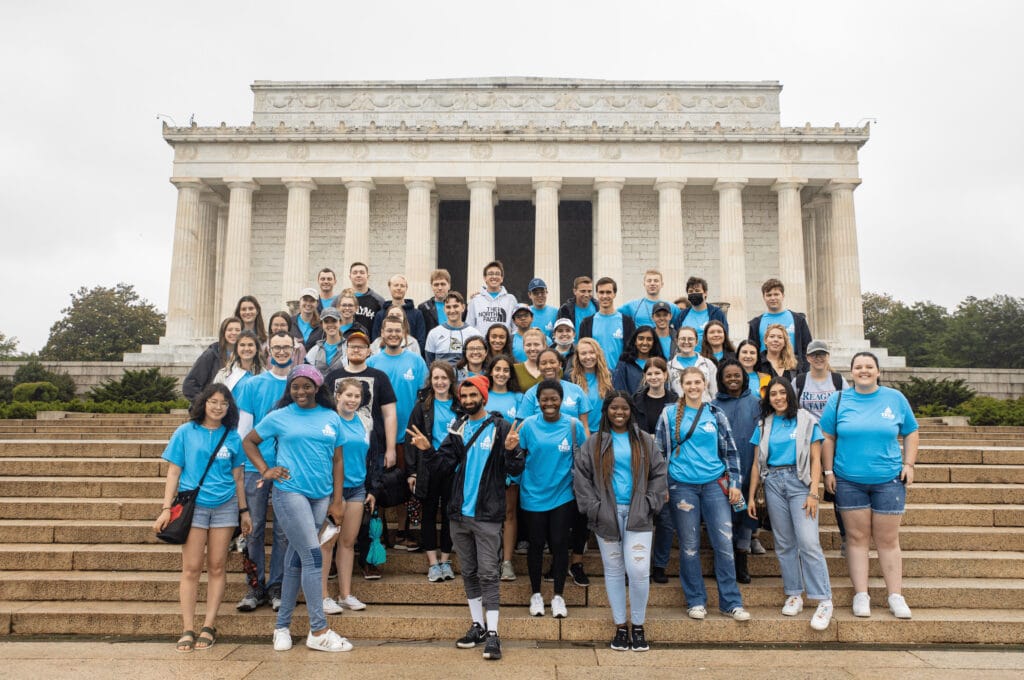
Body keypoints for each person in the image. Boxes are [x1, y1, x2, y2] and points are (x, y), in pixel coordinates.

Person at [242, 364, 353, 653]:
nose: (300, 391)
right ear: (289, 389)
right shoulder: (279, 416)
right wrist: (265, 469)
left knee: (295, 560)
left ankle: (281, 627)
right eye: (295, 386)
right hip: (290, 492)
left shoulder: (331, 417)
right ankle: (318, 629)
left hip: (321, 496)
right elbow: (249, 441)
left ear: (317, 388)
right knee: (313, 555)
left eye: (306, 386)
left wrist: (337, 500)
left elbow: (338, 461)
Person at [431, 376, 524, 661]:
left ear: (484, 396)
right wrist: (426, 451)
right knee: (469, 572)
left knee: (488, 574)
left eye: (473, 395)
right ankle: (477, 625)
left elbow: (515, 470)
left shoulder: (501, 427)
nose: (468, 400)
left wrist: (511, 451)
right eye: (465, 396)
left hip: (486, 513)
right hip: (459, 513)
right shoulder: (457, 427)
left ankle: (494, 634)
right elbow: (443, 465)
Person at [821, 352, 919, 620]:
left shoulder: (894, 398)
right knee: (856, 539)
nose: (863, 371)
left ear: (878, 371)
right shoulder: (838, 399)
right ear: (851, 372)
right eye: (858, 367)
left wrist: (909, 464)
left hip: (888, 480)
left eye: (869, 367)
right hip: (848, 480)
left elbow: (911, 430)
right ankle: (861, 594)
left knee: (888, 540)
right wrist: (828, 471)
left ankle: (895, 595)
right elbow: (827, 437)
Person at [154, 383, 250, 653]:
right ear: (203, 403)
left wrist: (244, 511)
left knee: (218, 566)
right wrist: (165, 508)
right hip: (193, 507)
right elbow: (174, 472)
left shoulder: (232, 436)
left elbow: (238, 477)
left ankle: (209, 625)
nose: (218, 407)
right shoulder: (186, 432)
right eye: (213, 401)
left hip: (225, 506)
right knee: (191, 568)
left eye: (224, 403)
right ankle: (187, 627)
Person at [655, 367, 751, 622]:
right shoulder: (668, 414)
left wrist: (735, 483)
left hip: (713, 485)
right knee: (689, 546)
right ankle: (695, 600)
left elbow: (730, 451)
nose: (694, 387)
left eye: (698, 382)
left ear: (705, 383)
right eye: (689, 383)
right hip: (681, 486)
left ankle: (731, 602)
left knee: (724, 544)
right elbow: (659, 453)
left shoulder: (715, 413)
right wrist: (662, 486)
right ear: (681, 385)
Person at [574, 391, 667, 651]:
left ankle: (638, 625)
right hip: (607, 516)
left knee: (637, 571)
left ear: (631, 411)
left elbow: (659, 473)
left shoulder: (643, 440)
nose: (619, 413)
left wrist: (650, 502)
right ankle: (620, 627)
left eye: (624, 408)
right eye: (614, 408)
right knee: (614, 571)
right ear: (606, 411)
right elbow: (581, 477)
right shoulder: (594, 443)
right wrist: (594, 508)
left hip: (638, 513)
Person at [747, 377, 833, 630]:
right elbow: (755, 463)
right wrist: (751, 496)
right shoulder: (764, 424)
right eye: (773, 394)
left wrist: (813, 492)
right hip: (773, 481)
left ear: (790, 395)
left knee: (808, 542)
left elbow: (816, 459)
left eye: (782, 393)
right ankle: (794, 593)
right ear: (768, 398)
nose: (778, 398)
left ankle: (823, 599)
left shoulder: (805, 420)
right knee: (784, 543)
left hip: (799, 482)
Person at [507, 378, 588, 620]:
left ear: (561, 401)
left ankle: (558, 596)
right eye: (544, 400)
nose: (549, 403)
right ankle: (535, 595)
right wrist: (509, 449)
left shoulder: (574, 426)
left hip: (563, 495)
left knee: (560, 544)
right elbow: (516, 461)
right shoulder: (528, 426)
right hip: (532, 495)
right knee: (535, 544)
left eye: (554, 399)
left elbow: (584, 461)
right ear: (538, 402)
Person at [323, 326, 399, 580]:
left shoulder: (380, 376)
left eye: (361, 346)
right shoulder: (333, 376)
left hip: (371, 447)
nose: (357, 349)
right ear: (347, 349)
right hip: (338, 449)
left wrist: (390, 448)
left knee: (370, 505)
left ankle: (369, 559)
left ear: (369, 350)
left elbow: (389, 413)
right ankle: (332, 561)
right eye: (352, 346)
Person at [234, 331, 293, 612]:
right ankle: (255, 587)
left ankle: (278, 586)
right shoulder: (253, 385)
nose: (282, 352)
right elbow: (242, 432)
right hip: (257, 467)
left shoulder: (299, 385)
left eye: (287, 348)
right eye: (277, 347)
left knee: (283, 531)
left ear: (295, 351)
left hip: (289, 469)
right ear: (269, 350)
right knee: (253, 529)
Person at [368, 317, 429, 550]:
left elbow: (423, 397)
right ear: (382, 332)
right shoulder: (373, 362)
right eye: (389, 330)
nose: (393, 334)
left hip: (409, 435)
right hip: (380, 436)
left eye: (397, 330)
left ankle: (403, 532)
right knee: (379, 483)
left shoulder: (416, 361)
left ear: (404, 333)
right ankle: (379, 531)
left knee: (403, 485)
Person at [321, 378, 378, 614]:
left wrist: (371, 487)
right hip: (333, 487)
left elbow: (370, 455)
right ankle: (323, 595)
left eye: (357, 396)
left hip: (357, 487)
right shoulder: (328, 420)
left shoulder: (363, 421)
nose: (352, 400)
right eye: (349, 395)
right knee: (327, 542)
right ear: (338, 396)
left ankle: (344, 594)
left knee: (347, 542)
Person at [405, 361, 460, 582]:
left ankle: (446, 560)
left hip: (452, 468)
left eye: (444, 378)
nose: (440, 382)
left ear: (451, 381)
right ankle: (433, 563)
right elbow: (411, 437)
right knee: (428, 514)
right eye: (436, 378)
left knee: (449, 515)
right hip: (427, 467)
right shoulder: (423, 406)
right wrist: (412, 472)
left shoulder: (459, 405)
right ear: (431, 381)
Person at [795, 339, 850, 554]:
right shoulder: (800, 381)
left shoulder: (837, 380)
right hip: (806, 441)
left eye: (822, 354)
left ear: (828, 357)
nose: (819, 358)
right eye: (815, 355)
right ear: (808, 358)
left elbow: (848, 406)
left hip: (833, 441)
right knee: (803, 489)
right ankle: (805, 538)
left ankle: (846, 536)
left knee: (839, 489)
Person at [712, 358, 761, 583]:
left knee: (744, 516)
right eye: (728, 376)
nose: (733, 379)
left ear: (744, 377)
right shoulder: (713, 406)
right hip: (723, 473)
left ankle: (741, 560)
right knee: (723, 517)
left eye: (737, 375)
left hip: (750, 468)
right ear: (721, 380)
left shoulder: (756, 403)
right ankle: (723, 560)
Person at [486, 354, 525, 581]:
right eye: (497, 369)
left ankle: (507, 562)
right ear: (490, 371)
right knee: (488, 515)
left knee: (509, 513)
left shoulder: (519, 397)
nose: (501, 374)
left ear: (510, 374)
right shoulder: (482, 395)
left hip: (509, 460)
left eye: (505, 370)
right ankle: (490, 559)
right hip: (485, 463)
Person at [517, 348, 588, 430]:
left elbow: (584, 426)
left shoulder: (576, 390)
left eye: (552, 362)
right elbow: (524, 427)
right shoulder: (531, 394)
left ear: (560, 364)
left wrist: (587, 443)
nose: (548, 366)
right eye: (543, 363)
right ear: (538, 367)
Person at [747, 278, 813, 366]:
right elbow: (752, 350)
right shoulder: (756, 324)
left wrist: (804, 371)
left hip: (792, 370)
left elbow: (808, 347)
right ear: (764, 297)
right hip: (765, 371)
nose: (773, 298)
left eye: (776, 294)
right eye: (769, 295)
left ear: (783, 296)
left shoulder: (798, 320)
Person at [579, 277, 635, 370]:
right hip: (595, 376)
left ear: (614, 294)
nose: (605, 296)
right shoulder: (587, 323)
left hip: (619, 377)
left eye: (608, 292)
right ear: (596, 294)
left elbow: (632, 352)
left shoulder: (627, 322)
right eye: (601, 292)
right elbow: (582, 351)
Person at [183, 317, 242, 402]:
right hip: (213, 410)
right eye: (229, 330)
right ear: (223, 332)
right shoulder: (211, 354)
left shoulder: (243, 357)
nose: (234, 333)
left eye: (237, 330)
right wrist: (205, 404)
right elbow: (189, 385)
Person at [425, 291, 483, 366]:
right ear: (444, 309)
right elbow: (430, 363)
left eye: (455, 306)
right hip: (443, 377)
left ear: (463, 307)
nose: (452, 310)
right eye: (448, 307)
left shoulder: (474, 334)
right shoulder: (434, 333)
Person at [569, 338, 613, 435]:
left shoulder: (609, 376)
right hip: (578, 433)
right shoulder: (570, 378)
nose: (588, 357)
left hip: (603, 432)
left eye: (592, 352)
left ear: (598, 354)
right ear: (577, 356)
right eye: (583, 353)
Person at [370, 274, 427, 349]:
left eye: (402, 286)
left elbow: (421, 340)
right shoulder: (380, 314)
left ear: (406, 288)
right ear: (390, 287)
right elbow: (376, 339)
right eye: (396, 285)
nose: (399, 288)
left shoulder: (417, 314)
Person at [466, 260, 518, 334]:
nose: (494, 276)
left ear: (502, 278)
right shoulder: (475, 300)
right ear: (485, 278)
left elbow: (515, 327)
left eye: (497, 274)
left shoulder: (511, 299)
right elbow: (469, 326)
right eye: (490, 274)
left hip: (503, 344)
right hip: (481, 344)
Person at [667, 326, 718, 401]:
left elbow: (715, 393)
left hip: (705, 410)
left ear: (696, 342)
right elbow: (668, 393)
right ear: (676, 341)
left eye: (690, 339)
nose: (686, 342)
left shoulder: (707, 363)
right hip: (679, 411)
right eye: (682, 339)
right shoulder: (669, 366)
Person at [679, 276, 729, 350]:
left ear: (705, 293)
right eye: (690, 291)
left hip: (711, 357)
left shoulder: (717, 313)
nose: (694, 293)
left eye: (697, 290)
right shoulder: (682, 315)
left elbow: (725, 336)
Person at [612, 325, 664, 395]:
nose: (645, 342)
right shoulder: (624, 364)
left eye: (649, 339)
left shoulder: (660, 363)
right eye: (641, 339)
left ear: (654, 342)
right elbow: (619, 390)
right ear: (635, 341)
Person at [305, 307, 347, 374]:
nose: (330, 324)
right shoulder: (315, 350)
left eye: (334, 321)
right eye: (326, 321)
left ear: (340, 323)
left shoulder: (348, 348)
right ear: (322, 325)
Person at [349, 261, 387, 332]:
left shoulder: (379, 301)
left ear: (368, 276)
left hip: (369, 342)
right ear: (350, 276)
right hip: (344, 342)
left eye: (362, 272)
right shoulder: (340, 299)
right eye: (355, 273)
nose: (358, 275)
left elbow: (383, 327)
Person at [418, 269, 452, 336]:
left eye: (443, 284)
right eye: (436, 285)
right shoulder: (423, 308)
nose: (439, 288)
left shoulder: (458, 306)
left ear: (449, 286)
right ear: (431, 286)